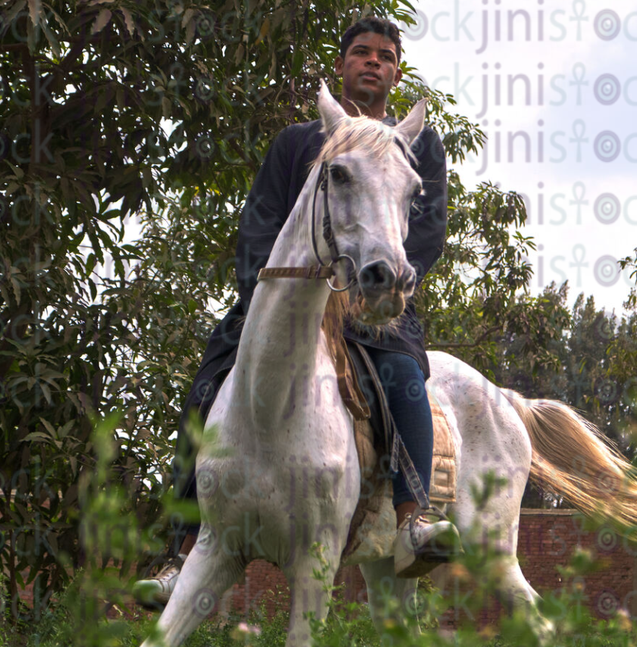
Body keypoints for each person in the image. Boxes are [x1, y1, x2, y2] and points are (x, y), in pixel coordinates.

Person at [135, 17, 456, 607]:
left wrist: (373, 287)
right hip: (289, 302)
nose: (373, 62)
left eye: (386, 56)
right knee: (208, 384)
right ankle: (180, 549)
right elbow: (260, 222)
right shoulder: (296, 142)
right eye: (361, 52)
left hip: (372, 302)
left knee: (403, 377)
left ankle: (414, 519)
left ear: (396, 72)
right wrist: (269, 294)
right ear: (342, 65)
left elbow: (428, 231)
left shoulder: (418, 145)